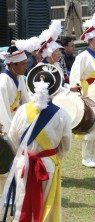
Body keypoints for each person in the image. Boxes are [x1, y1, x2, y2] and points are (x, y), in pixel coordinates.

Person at [8, 64, 72, 221]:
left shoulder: (21, 110)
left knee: (21, 203)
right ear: (55, 90)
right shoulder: (62, 115)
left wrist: (25, 153)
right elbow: (65, 146)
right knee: (46, 206)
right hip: (47, 165)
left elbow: (13, 139)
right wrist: (54, 158)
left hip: (23, 164)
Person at [70, 11, 95, 168]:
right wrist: (80, 97)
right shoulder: (83, 56)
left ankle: (92, 155)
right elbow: (75, 76)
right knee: (90, 123)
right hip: (88, 91)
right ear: (90, 40)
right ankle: (85, 157)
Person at [0, 45, 30, 199]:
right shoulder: (3, 82)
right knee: (5, 163)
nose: (26, 66)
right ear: (12, 65)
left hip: (16, 124)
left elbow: (26, 102)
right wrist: (10, 134)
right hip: (5, 128)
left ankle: (13, 193)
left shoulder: (18, 78)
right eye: (23, 64)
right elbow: (2, 112)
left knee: (17, 162)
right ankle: (6, 196)